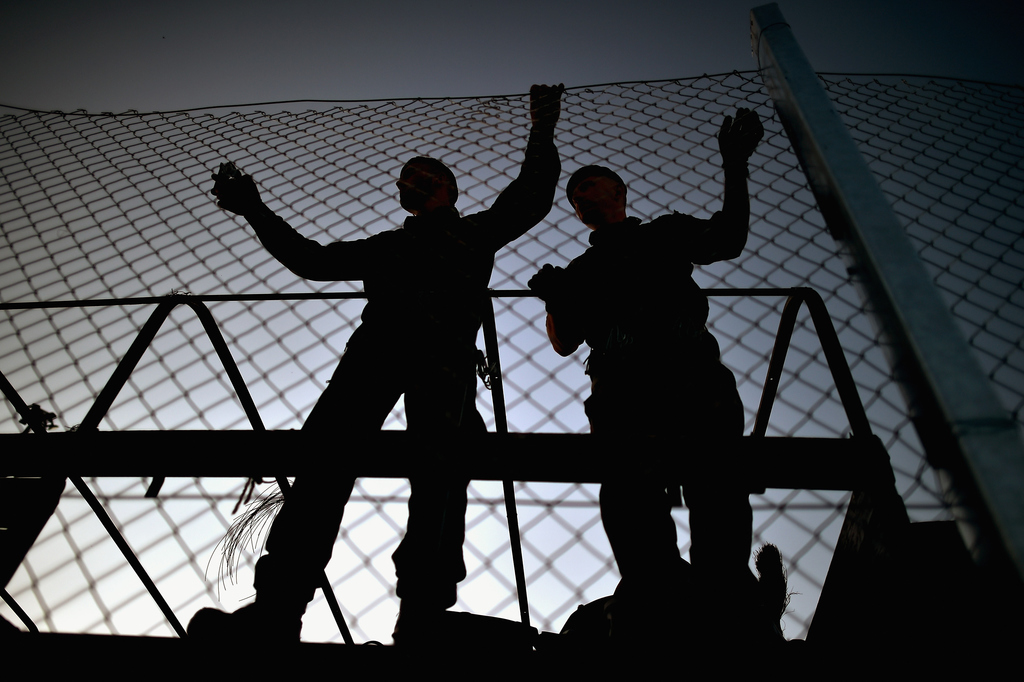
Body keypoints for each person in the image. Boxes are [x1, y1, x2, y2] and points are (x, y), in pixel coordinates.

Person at [189, 84, 562, 644]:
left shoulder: (475, 231)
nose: (419, 179)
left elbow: (531, 196)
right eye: (410, 176)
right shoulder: (387, 246)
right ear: (404, 196)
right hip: (375, 355)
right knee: (322, 462)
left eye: (430, 173)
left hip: (445, 365)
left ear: (451, 189)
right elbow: (310, 260)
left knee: (440, 478)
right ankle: (278, 608)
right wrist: (254, 209)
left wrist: (541, 125)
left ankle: (423, 616)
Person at [529, 108, 765, 646]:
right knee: (636, 518)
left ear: (619, 191)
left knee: (720, 509)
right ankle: (657, 619)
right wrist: (555, 299)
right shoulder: (580, 273)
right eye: (575, 195)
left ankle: (728, 617)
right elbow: (565, 342)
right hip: (622, 396)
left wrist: (734, 166)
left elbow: (727, 239)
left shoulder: (666, 234)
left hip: (693, 384)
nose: (582, 195)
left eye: (591, 184)